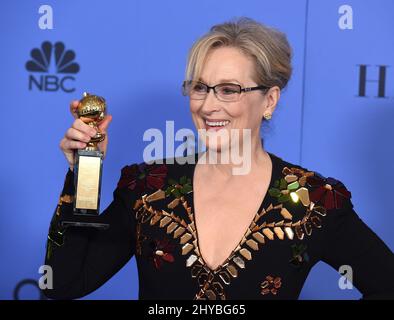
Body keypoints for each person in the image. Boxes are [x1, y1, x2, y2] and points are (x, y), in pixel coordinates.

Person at [43, 17, 394, 300]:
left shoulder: (312, 200)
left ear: (269, 100)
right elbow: (63, 285)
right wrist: (84, 171)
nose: (208, 105)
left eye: (229, 90)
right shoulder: (149, 188)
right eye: (199, 87)